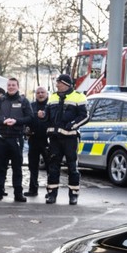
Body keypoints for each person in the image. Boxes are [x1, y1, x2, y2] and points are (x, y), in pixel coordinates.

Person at [46, 73, 89, 204]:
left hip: (70, 138)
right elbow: (48, 116)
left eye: (58, 83)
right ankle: (52, 194)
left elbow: (85, 116)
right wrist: (43, 117)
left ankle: (73, 194)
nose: (57, 85)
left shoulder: (78, 96)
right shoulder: (52, 97)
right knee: (53, 166)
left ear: (65, 84)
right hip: (54, 138)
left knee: (72, 166)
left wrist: (72, 126)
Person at [0, 78, 33, 202]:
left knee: (17, 168)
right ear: (6, 86)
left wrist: (16, 121)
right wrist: (3, 121)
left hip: (16, 138)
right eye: (9, 85)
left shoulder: (24, 101)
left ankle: (18, 193)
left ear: (18, 86)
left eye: (13, 85)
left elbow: (30, 117)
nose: (11, 87)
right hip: (1, 138)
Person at [24, 86, 50, 197]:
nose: (40, 94)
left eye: (42, 92)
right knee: (33, 166)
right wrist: (26, 129)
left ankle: (51, 190)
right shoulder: (31, 106)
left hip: (47, 140)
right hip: (33, 140)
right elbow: (27, 120)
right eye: (38, 92)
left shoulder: (51, 106)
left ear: (47, 94)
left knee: (50, 166)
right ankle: (33, 189)